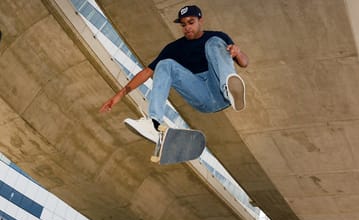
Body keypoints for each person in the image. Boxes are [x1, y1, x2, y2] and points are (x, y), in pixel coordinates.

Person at [99, 5, 249, 143]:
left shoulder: (219, 36)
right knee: (164, 64)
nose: (187, 28)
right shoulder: (174, 48)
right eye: (183, 25)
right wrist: (119, 95)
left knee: (214, 42)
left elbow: (244, 63)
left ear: (200, 20)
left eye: (191, 22)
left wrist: (238, 52)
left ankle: (229, 89)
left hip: (218, 87)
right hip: (201, 95)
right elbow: (147, 72)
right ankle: (154, 124)